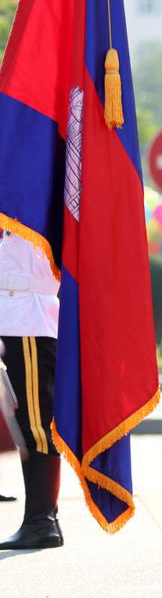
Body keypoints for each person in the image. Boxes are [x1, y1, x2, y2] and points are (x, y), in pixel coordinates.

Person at [0, 227, 63, 549]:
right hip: (10, 315)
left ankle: (42, 520)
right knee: (20, 421)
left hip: (27, 316)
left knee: (35, 422)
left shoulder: (29, 191)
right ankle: (42, 518)